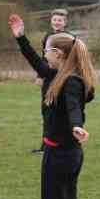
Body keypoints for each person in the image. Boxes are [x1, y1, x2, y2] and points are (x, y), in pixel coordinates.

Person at [9, 14, 94, 199]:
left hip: (61, 156)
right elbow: (37, 63)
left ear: (59, 54)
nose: (44, 53)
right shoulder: (56, 74)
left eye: (47, 49)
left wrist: (76, 126)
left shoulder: (70, 82)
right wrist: (21, 38)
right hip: (61, 154)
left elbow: (73, 107)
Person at [32, 8, 70, 154]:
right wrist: (40, 76)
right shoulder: (47, 36)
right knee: (46, 111)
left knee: (59, 111)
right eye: (54, 20)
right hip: (48, 78)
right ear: (51, 21)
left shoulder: (69, 38)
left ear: (65, 22)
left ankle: (61, 142)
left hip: (61, 79)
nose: (57, 22)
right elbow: (43, 59)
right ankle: (45, 145)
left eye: (60, 20)